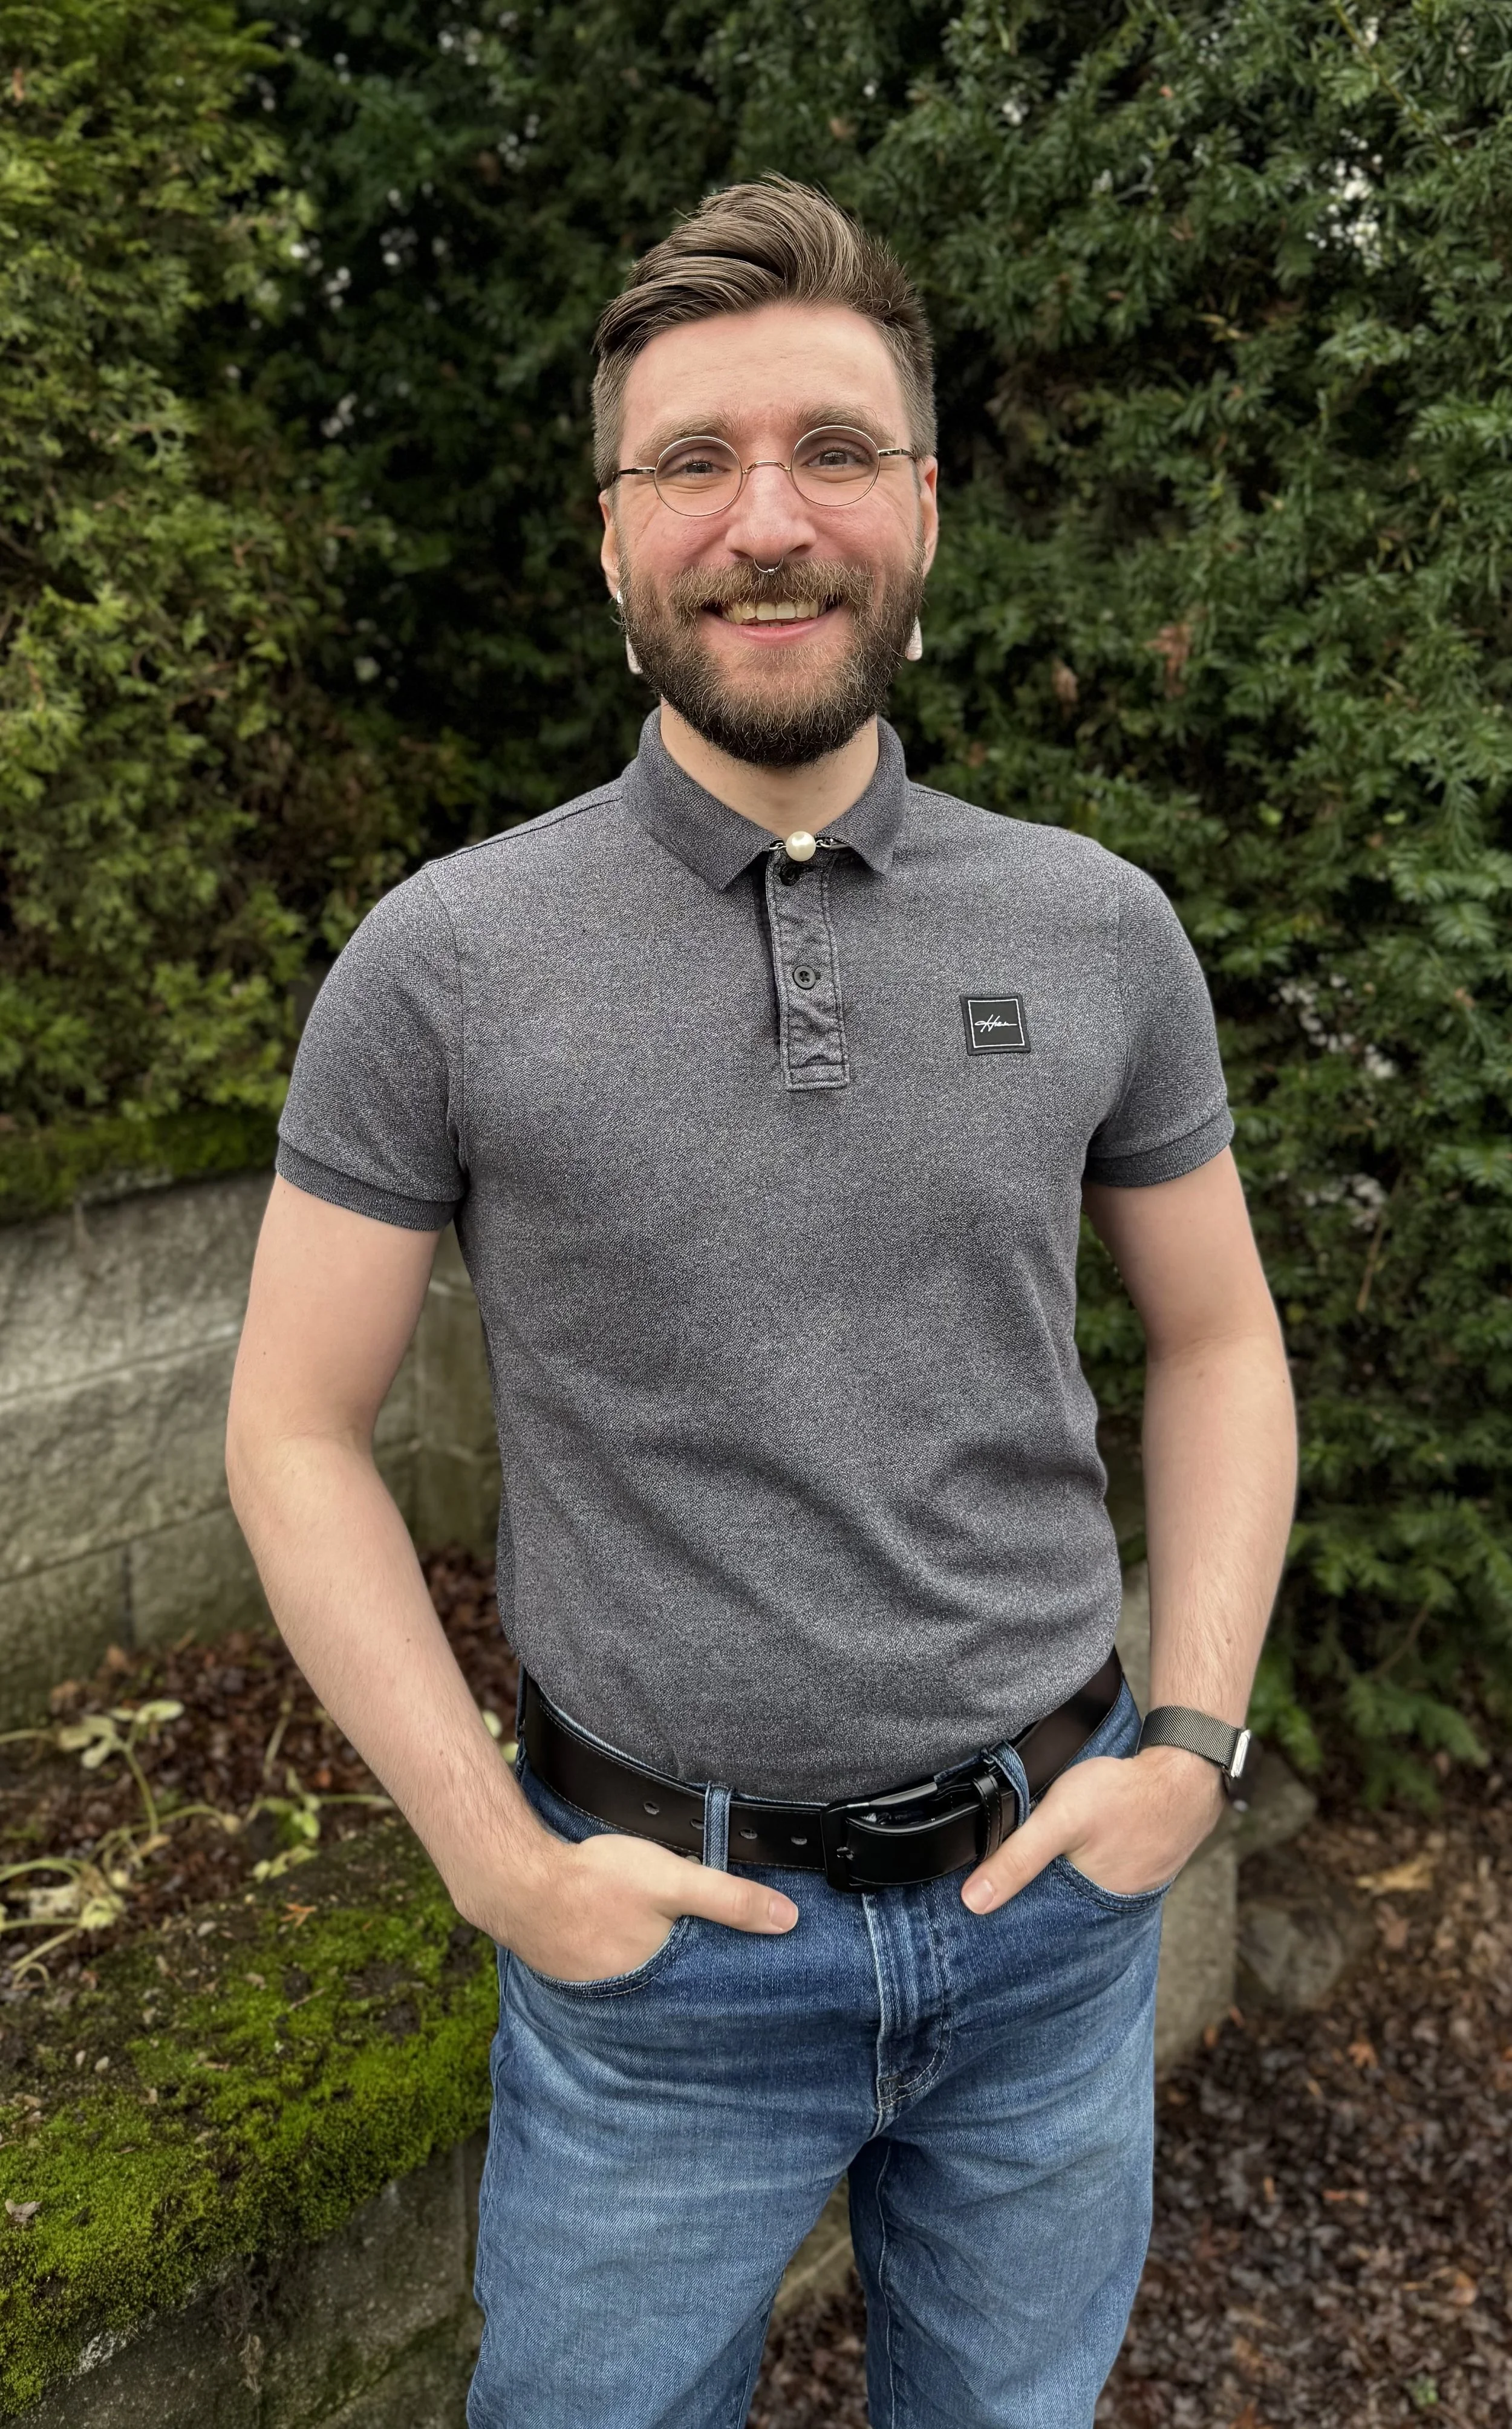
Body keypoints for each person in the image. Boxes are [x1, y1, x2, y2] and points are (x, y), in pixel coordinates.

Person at [226, 177, 1297, 2429]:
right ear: (613, 537)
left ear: (922, 506)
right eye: (690, 462)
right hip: (658, 1965)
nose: (763, 520)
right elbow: (293, 1427)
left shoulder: (1099, 928)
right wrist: (500, 1864)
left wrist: (1186, 1747)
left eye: (828, 450)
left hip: (1051, 1912)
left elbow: (1213, 1339)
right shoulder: (444, 960)